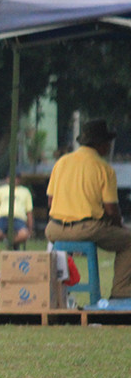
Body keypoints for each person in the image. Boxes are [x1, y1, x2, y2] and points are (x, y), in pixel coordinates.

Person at [45, 118, 131, 302]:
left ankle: (58, 294)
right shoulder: (104, 168)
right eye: (108, 142)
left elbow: (51, 202)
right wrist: (119, 225)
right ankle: (121, 292)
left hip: (54, 229)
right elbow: (111, 210)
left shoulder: (61, 162)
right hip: (86, 228)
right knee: (129, 240)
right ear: (100, 144)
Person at [0, 176, 34, 248]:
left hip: (19, 219)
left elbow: (29, 211)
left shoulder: (25, 192)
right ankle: (7, 240)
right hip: (3, 218)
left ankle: (11, 243)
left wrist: (30, 228)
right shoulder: (1, 190)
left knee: (24, 235)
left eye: (16, 178)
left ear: (19, 179)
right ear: (7, 179)